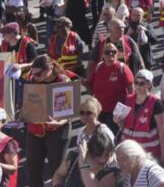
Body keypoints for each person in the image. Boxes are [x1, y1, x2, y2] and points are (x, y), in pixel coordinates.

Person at [24, 56, 71, 187]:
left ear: (49, 69)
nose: (34, 77)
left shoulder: (62, 81)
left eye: (38, 74)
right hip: (35, 129)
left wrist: (59, 123)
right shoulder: (33, 79)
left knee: (57, 170)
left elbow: (68, 113)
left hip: (57, 129)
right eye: (33, 74)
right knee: (33, 169)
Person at [51, 106, 119, 187]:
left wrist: (83, 165)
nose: (105, 159)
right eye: (98, 160)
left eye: (108, 155)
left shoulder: (112, 171)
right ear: (88, 153)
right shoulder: (74, 157)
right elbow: (58, 174)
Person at [116, 69, 164, 163]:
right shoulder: (127, 99)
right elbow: (122, 125)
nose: (138, 86)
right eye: (136, 83)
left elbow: (161, 129)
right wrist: (118, 121)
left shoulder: (156, 103)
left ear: (149, 85)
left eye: (141, 83)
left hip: (148, 151)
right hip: (129, 149)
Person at [86, 41, 135, 132]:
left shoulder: (122, 68)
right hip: (100, 111)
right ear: (102, 55)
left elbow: (132, 92)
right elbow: (91, 90)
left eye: (113, 52)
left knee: (113, 139)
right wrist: (83, 83)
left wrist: (128, 112)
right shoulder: (98, 67)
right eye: (107, 52)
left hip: (115, 113)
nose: (111, 54)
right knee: (101, 139)